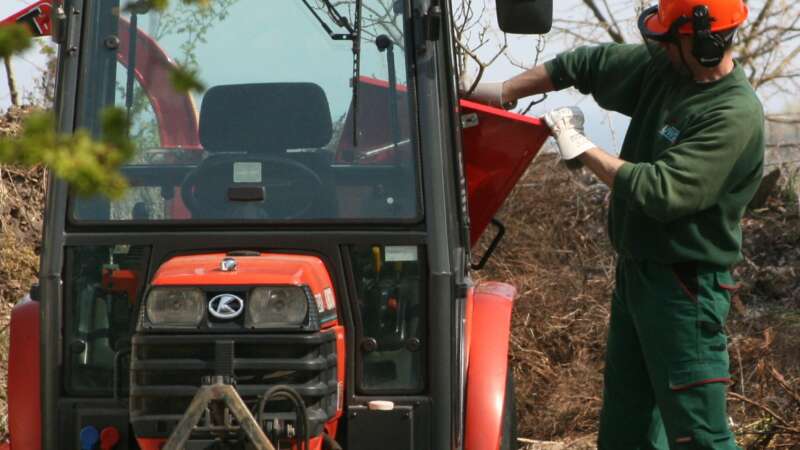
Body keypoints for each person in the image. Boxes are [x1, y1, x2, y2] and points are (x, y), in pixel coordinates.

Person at [462, 0, 764, 448]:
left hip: (685, 289)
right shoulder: (667, 69)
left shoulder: (732, 114)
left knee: (700, 434)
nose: (658, 49)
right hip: (638, 275)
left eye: (668, 41)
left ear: (701, 42)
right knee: (627, 425)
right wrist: (506, 90)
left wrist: (581, 147)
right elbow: (586, 63)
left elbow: (661, 191)